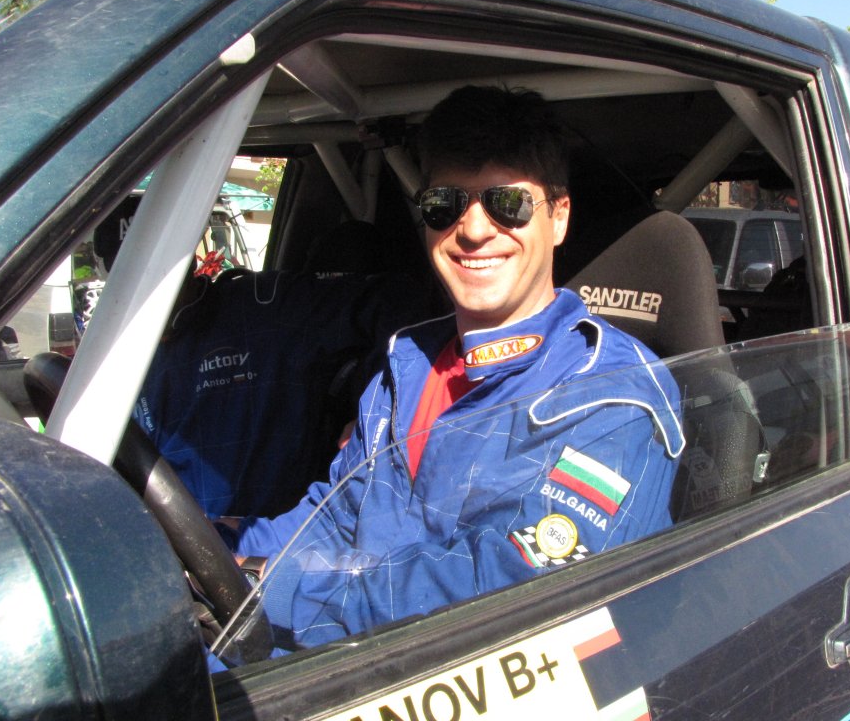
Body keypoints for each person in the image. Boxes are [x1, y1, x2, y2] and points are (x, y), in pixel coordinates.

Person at [225, 86, 684, 649]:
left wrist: (274, 591)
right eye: (445, 203)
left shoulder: (613, 394)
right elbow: (338, 515)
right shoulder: (406, 363)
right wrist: (220, 553)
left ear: (559, 217)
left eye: (507, 203)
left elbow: (513, 590)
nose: (473, 229)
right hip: (345, 656)